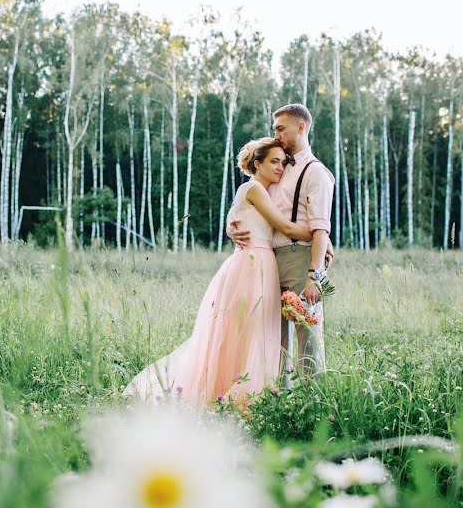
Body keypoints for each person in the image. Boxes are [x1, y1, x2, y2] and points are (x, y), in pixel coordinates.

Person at [124, 137, 316, 408]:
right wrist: (321, 234)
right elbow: (284, 227)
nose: (280, 168)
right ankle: (244, 396)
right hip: (254, 265)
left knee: (247, 330)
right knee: (251, 329)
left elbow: (238, 222)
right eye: (274, 162)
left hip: (252, 262)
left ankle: (245, 392)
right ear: (257, 164)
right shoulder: (254, 189)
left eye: (283, 163)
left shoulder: (250, 190)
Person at [229, 103, 335, 378]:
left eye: (280, 128)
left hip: (300, 260)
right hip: (270, 263)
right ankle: (280, 404)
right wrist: (233, 226)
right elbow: (252, 205)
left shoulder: (316, 172)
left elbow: (321, 226)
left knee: (308, 339)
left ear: (300, 127)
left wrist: (315, 275)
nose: (275, 135)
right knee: (275, 342)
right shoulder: (278, 166)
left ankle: (316, 409)